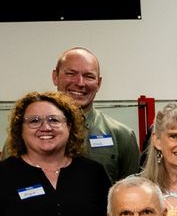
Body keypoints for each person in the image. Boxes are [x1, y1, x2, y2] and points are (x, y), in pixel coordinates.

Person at [52, 47, 139, 182]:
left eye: (89, 76)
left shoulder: (122, 136)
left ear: (99, 83)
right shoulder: (30, 134)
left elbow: (133, 195)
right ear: (55, 77)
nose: (80, 83)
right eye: (71, 73)